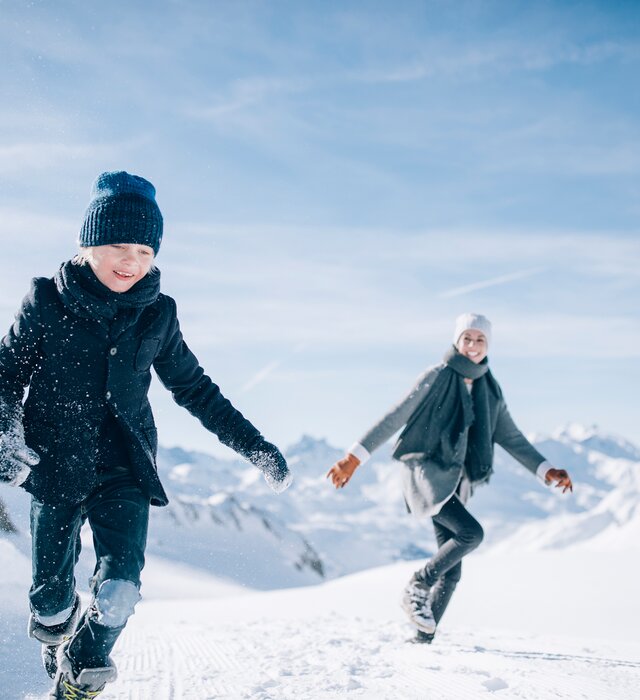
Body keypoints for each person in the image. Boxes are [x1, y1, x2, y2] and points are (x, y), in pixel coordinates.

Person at [0, 171, 292, 698]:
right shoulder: (45, 301)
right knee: (49, 603)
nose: (131, 261)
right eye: (117, 244)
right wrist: (5, 434)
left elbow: (195, 388)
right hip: (55, 465)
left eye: (144, 249)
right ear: (87, 243)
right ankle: (53, 629)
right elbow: (4, 376)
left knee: (119, 590)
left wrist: (254, 445)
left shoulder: (158, 314)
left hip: (124, 468)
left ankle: (82, 672)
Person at [327, 313, 572, 643]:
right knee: (471, 534)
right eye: (467, 339)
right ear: (457, 342)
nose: (472, 346)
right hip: (427, 471)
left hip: (458, 480)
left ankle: (422, 639)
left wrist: (546, 469)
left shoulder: (490, 389)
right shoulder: (437, 376)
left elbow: (510, 437)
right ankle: (417, 584)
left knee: (453, 570)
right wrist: (353, 458)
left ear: (488, 346)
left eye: (480, 340)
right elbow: (396, 415)